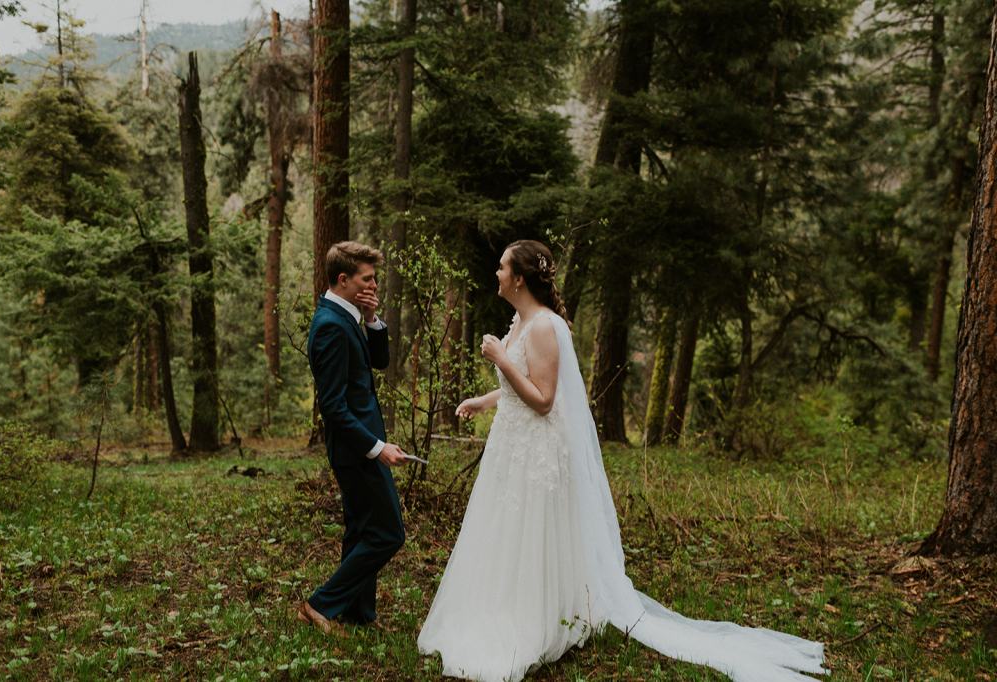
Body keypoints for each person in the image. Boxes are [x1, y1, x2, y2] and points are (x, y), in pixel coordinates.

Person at [417, 239, 828, 682]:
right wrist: (484, 399)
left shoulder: (545, 327)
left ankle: (534, 621)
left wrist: (499, 357)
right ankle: (501, 606)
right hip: (511, 447)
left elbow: (543, 399)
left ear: (519, 277)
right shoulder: (521, 320)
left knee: (530, 533)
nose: (495, 274)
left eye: (501, 268)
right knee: (505, 531)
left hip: (535, 450)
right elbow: (522, 386)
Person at [297, 241, 407, 633]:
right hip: (355, 449)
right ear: (343, 280)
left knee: (362, 530)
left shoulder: (348, 316)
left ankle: (359, 614)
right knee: (390, 532)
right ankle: (321, 604)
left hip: (361, 443)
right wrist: (376, 449)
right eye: (367, 279)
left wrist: (373, 319)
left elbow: (377, 362)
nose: (374, 285)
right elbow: (333, 406)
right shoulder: (328, 325)